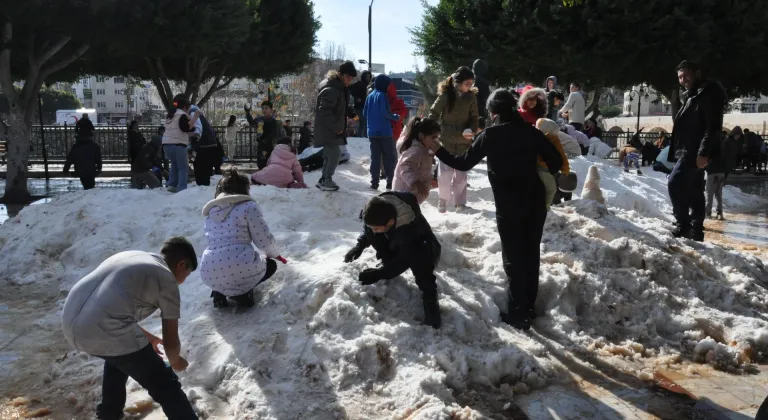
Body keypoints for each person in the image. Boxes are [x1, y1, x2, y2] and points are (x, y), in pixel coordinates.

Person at [422, 89, 563, 330]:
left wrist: (437, 149)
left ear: (493, 112)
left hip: (509, 204)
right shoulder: (531, 132)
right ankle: (527, 306)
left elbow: (463, 162)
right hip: (534, 199)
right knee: (530, 253)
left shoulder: (491, 135)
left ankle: (518, 314)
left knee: (513, 257)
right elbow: (556, 162)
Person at [60, 237, 199, 420]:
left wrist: (149, 338)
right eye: (187, 275)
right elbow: (171, 343)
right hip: (101, 329)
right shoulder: (167, 279)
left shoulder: (133, 256)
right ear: (182, 264)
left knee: (118, 356)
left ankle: (109, 414)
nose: (183, 281)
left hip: (70, 321)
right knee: (166, 384)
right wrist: (176, 361)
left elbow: (110, 307)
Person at [344, 192, 442, 328]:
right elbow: (369, 229)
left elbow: (403, 261)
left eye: (377, 227)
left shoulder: (410, 226)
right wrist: (359, 246)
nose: (373, 230)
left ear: (390, 222)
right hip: (396, 241)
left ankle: (430, 299)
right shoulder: (376, 209)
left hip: (425, 247)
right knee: (375, 233)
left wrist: (379, 273)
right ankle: (387, 261)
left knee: (420, 259)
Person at [201, 168, 281, 308]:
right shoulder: (248, 206)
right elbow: (263, 239)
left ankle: (219, 292)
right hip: (241, 266)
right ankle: (243, 294)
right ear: (245, 189)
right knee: (271, 265)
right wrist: (275, 254)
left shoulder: (211, 212)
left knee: (223, 266)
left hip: (209, 271)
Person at [667, 60, 726, 241]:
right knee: (694, 189)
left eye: (686, 75)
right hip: (689, 149)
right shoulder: (693, 94)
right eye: (680, 77)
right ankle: (696, 229)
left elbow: (712, 127)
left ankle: (683, 225)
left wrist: (703, 153)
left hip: (694, 151)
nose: (683, 79)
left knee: (675, 182)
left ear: (697, 73)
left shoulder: (709, 93)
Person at [428, 66, 480, 213]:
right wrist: (429, 131)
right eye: (467, 83)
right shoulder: (446, 95)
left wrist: (472, 129)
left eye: (471, 84)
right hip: (446, 141)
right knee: (445, 174)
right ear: (458, 82)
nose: (469, 86)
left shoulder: (471, 97)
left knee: (462, 176)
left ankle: (460, 203)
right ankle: (443, 200)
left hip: (464, 142)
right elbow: (433, 113)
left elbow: (474, 118)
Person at [314, 61, 357, 191]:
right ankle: (326, 179)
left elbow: (339, 105)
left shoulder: (338, 87)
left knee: (330, 154)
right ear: (340, 74)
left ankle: (324, 179)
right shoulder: (332, 89)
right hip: (329, 129)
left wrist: (349, 111)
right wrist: (336, 127)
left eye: (351, 78)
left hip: (331, 128)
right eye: (347, 77)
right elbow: (325, 110)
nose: (349, 81)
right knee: (334, 153)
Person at [364, 74, 401, 190]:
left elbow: (364, 113)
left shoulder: (369, 96)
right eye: (388, 85)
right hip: (385, 132)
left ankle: (374, 182)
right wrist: (396, 117)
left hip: (372, 132)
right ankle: (390, 181)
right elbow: (386, 113)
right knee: (387, 157)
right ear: (384, 85)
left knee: (375, 158)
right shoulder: (382, 96)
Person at [392, 117, 441, 205]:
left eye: (437, 138)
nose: (436, 141)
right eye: (433, 138)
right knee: (405, 216)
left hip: (412, 194)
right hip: (405, 193)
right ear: (421, 136)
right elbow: (405, 166)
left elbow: (422, 167)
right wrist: (415, 182)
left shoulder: (424, 149)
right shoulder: (416, 150)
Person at [162, 94, 200, 193]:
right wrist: (195, 117)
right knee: (183, 167)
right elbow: (186, 128)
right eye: (188, 109)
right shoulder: (182, 115)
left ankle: (172, 185)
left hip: (166, 144)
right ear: (184, 107)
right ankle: (182, 188)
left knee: (174, 164)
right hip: (178, 144)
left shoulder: (170, 115)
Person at [535, 119, 573, 208]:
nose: (554, 134)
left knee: (551, 189)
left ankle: (545, 208)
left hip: (545, 169)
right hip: (541, 169)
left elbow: (562, 155)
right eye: (553, 132)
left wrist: (565, 169)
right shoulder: (536, 138)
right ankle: (544, 208)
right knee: (550, 189)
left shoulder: (553, 139)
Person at [245, 101, 282, 169]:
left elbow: (275, 133)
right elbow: (252, 123)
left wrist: (266, 140)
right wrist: (247, 113)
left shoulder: (274, 120)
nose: (264, 110)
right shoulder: (259, 119)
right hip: (261, 145)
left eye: (266, 108)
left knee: (268, 162)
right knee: (261, 162)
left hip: (270, 145)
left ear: (271, 109)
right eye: (263, 108)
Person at [190, 109, 218, 187]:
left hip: (203, 144)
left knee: (200, 165)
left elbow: (196, 132)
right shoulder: (197, 114)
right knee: (205, 166)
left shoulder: (192, 114)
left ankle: (202, 185)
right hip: (209, 144)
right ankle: (204, 184)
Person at [350, 70, 373, 137]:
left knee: (362, 124)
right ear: (363, 77)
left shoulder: (366, 86)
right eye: (366, 77)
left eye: (369, 77)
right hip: (359, 108)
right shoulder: (359, 83)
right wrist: (356, 97)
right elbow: (349, 88)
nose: (368, 78)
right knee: (362, 124)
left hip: (362, 108)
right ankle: (361, 139)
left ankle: (361, 139)